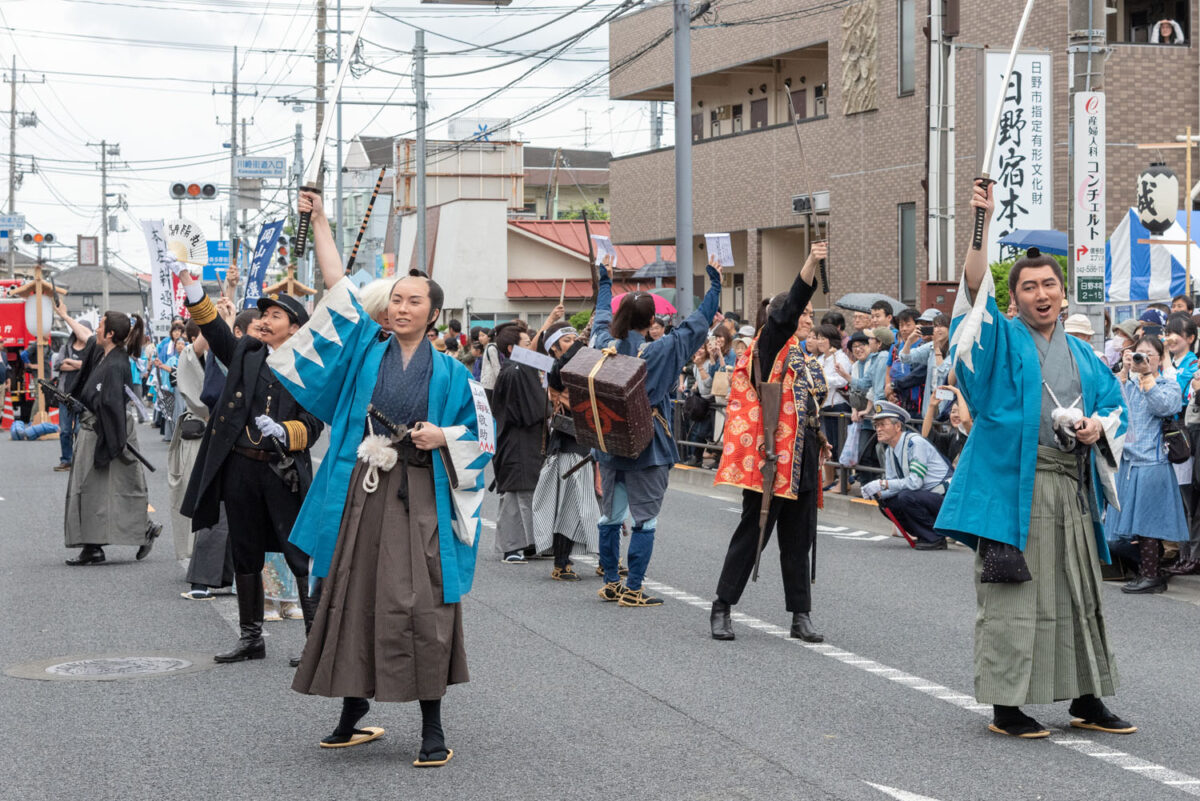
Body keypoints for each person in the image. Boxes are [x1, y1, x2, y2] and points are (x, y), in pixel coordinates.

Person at [273, 189, 490, 766]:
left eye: (414, 301)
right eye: (395, 299)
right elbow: (337, 286)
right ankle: (353, 707)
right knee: (348, 592)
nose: (401, 308)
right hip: (362, 489)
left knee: (423, 605)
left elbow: (482, 440)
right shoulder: (366, 348)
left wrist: (443, 437)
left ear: (434, 313)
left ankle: (432, 724)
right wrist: (319, 220)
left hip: (422, 494)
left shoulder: (455, 374)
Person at [937, 181, 1133, 740]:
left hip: (1069, 490)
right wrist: (981, 225)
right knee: (1013, 596)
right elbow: (974, 293)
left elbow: (1116, 410)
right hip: (1013, 492)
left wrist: (1098, 427)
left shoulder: (1085, 356)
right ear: (1015, 297)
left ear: (1064, 295)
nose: (1041, 294)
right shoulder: (1000, 339)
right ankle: (1006, 706)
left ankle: (1087, 698)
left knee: (1078, 593)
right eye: (1029, 287)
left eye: (1050, 285)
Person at [174, 259, 324, 665]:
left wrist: (287, 432)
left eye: (275, 315)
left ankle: (316, 643)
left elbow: (315, 422)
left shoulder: (309, 365)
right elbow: (215, 330)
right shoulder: (248, 352)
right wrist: (190, 281)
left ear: (294, 327)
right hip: (240, 465)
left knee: (299, 554)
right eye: (263, 314)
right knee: (245, 551)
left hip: (282, 469)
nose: (263, 320)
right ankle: (251, 637)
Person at [590, 252, 723, 607]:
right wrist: (715, 282)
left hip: (609, 438)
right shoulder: (662, 348)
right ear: (651, 320)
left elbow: (601, 313)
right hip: (648, 442)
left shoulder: (602, 343)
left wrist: (605, 280)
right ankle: (633, 587)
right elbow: (698, 323)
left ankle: (610, 580)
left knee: (610, 515)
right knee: (645, 520)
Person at [710, 242, 827, 642]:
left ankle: (800, 614)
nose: (808, 318)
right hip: (773, 455)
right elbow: (792, 303)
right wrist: (810, 261)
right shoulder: (771, 345)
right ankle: (723, 605)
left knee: (799, 538)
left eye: (812, 314)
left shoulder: (806, 357)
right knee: (753, 533)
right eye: (804, 313)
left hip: (805, 454)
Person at [54, 301, 162, 565]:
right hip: (95, 427)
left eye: (101, 324)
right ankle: (98, 544)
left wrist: (109, 441)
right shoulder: (99, 351)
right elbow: (84, 334)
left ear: (111, 333)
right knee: (96, 489)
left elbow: (111, 405)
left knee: (106, 487)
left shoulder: (116, 364)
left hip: (108, 429)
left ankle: (134, 531)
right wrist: (65, 315)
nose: (97, 328)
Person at [183, 304, 257, 601]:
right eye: (256, 329)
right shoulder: (229, 353)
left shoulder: (266, 357)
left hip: (259, 439)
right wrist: (223, 317)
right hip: (224, 435)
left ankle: (241, 576)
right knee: (220, 506)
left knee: (252, 512)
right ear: (237, 332)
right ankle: (203, 577)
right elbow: (213, 392)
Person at [1105, 337, 1189, 593]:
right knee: (1118, 532)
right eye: (1138, 354)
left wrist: (1147, 379)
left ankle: (1151, 576)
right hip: (1127, 462)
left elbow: (1165, 407)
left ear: (1159, 358)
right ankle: (1150, 570)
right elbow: (1110, 404)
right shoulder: (1128, 384)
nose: (1142, 359)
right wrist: (1124, 372)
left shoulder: (1168, 384)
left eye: (1148, 355)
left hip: (1153, 463)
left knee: (1148, 526)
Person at [532, 322, 601, 580]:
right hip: (569, 445)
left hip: (587, 444)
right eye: (566, 340)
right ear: (553, 349)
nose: (572, 343)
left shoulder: (579, 369)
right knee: (575, 505)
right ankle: (601, 559)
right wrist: (584, 339)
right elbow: (566, 363)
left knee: (579, 506)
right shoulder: (557, 369)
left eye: (574, 338)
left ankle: (568, 562)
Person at [861, 401, 953, 550]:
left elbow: (915, 483)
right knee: (886, 501)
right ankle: (924, 534)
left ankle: (935, 537)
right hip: (929, 498)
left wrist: (882, 484)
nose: (878, 429)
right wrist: (877, 492)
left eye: (883, 424)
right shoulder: (891, 449)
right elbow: (893, 483)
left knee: (906, 496)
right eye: (876, 425)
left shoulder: (915, 443)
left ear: (897, 426)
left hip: (947, 500)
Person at [491, 324, 546, 564]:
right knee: (517, 493)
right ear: (513, 348)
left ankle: (526, 544)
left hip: (522, 437)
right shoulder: (514, 371)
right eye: (526, 344)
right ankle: (512, 547)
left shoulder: (519, 367)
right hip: (517, 438)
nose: (530, 347)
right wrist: (549, 408)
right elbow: (530, 408)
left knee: (526, 492)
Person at [167, 322, 209, 562]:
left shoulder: (221, 358)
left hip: (217, 433)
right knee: (192, 497)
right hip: (198, 433)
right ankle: (195, 556)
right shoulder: (188, 355)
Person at [52, 319, 93, 471]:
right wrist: (78, 365)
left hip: (83, 396)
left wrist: (70, 362)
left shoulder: (91, 349)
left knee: (79, 430)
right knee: (65, 431)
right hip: (65, 395)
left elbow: (88, 366)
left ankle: (79, 459)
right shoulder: (66, 347)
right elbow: (58, 365)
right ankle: (66, 460)